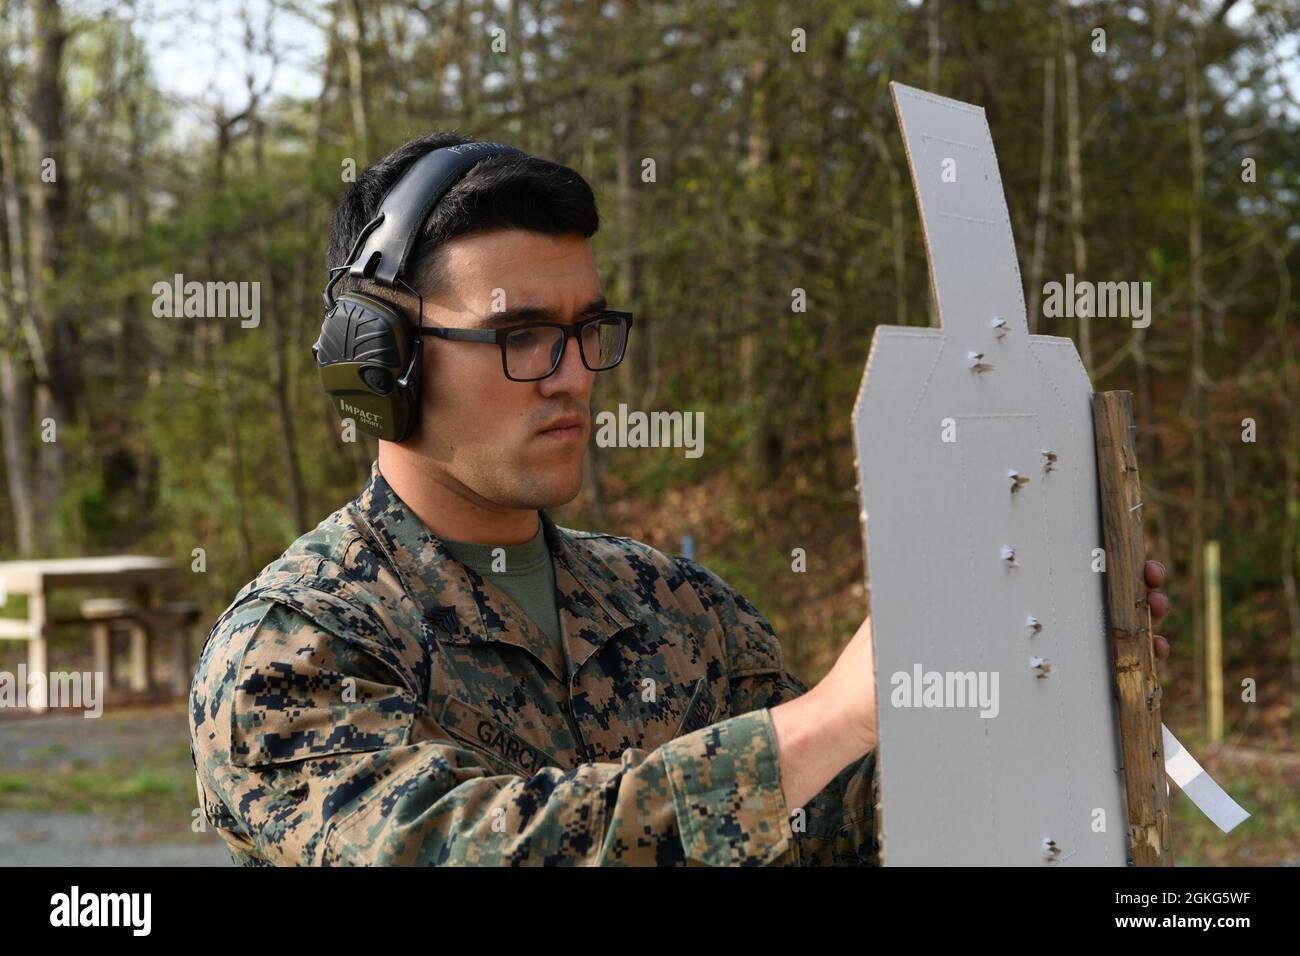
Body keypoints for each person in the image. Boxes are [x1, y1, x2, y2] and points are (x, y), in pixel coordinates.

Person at [188, 133, 1173, 866]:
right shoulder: (296, 647)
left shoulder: (675, 606)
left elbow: (835, 828)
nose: (572, 375)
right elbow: (475, 851)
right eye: (522, 334)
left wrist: (1014, 687)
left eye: (588, 328)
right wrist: (829, 716)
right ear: (380, 362)